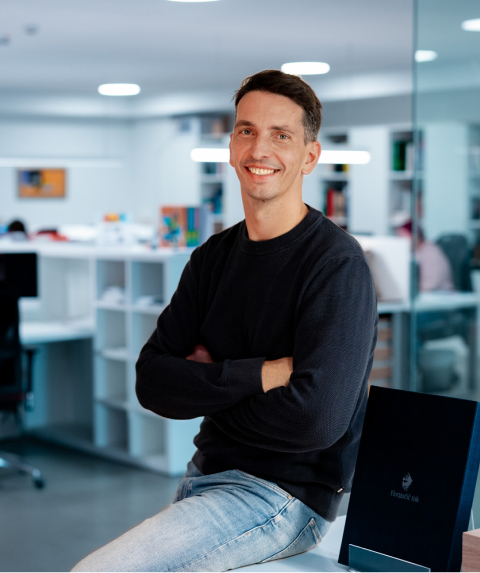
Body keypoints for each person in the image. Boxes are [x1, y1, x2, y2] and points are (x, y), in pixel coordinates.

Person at [72, 70, 378, 572]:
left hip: (282, 496)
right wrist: (262, 375)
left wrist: (207, 388)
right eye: (246, 131)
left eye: (281, 135)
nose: (260, 149)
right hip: (203, 476)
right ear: (232, 147)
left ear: (310, 156)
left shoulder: (336, 265)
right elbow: (151, 382)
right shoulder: (212, 257)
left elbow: (317, 421)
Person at [395, 220, 454, 292]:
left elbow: (431, 284)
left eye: (402, 237)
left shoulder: (431, 252)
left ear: (415, 236)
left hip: (440, 294)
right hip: (426, 294)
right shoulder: (415, 253)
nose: (400, 241)